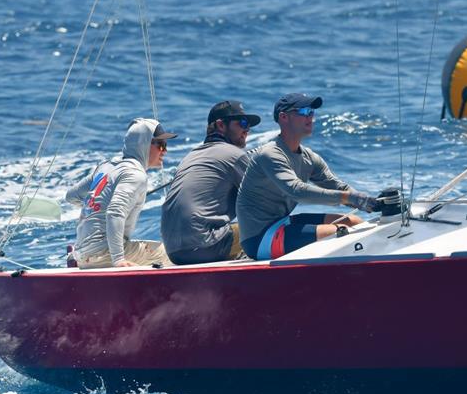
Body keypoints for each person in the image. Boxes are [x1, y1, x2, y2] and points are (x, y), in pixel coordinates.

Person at [236, 93, 382, 260]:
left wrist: (369, 202)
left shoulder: (309, 158)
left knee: (354, 221)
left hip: (284, 223)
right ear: (284, 117)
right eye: (304, 111)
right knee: (343, 232)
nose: (310, 117)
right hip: (259, 239)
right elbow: (297, 191)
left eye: (312, 112)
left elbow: (339, 187)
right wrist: (349, 198)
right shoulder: (269, 154)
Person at [66, 118, 177, 268]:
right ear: (143, 143)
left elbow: (72, 196)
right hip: (105, 254)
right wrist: (118, 260)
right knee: (172, 254)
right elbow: (114, 213)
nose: (165, 151)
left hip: (82, 254)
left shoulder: (105, 166)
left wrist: (97, 207)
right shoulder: (136, 174)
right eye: (161, 145)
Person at [161, 100, 262, 265]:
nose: (247, 129)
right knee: (267, 226)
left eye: (249, 125)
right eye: (242, 123)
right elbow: (265, 203)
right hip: (204, 246)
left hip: (174, 251)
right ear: (221, 125)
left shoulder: (190, 156)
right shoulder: (234, 154)